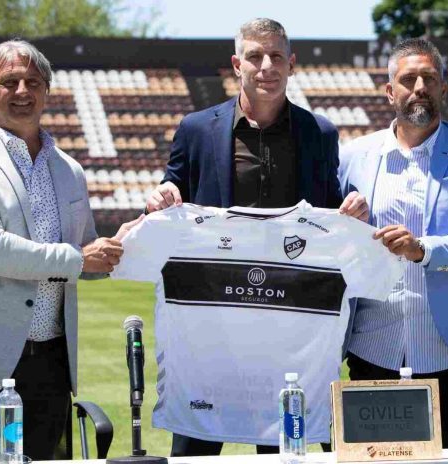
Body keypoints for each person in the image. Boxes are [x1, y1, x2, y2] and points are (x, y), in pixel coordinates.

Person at [146, 18, 366, 456]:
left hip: (291, 322)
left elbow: (331, 211)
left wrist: (353, 209)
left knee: (286, 445)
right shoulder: (196, 129)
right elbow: (169, 199)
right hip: (213, 318)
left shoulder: (319, 134)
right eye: (255, 56)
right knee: (197, 441)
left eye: (277, 56)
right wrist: (160, 199)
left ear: (291, 64)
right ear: (236, 63)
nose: (267, 66)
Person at [0, 39, 140, 462]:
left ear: (47, 91)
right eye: (9, 82)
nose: (22, 92)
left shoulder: (70, 170)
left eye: (32, 82)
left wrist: (123, 244)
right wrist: (78, 259)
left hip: (49, 365)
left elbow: (85, 257)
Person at [338, 38, 448, 448]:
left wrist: (424, 249)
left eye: (429, 79)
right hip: (373, 343)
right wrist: (346, 222)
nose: (419, 87)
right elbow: (332, 239)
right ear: (389, 91)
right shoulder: (354, 156)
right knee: (374, 458)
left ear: (443, 89)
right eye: (408, 79)